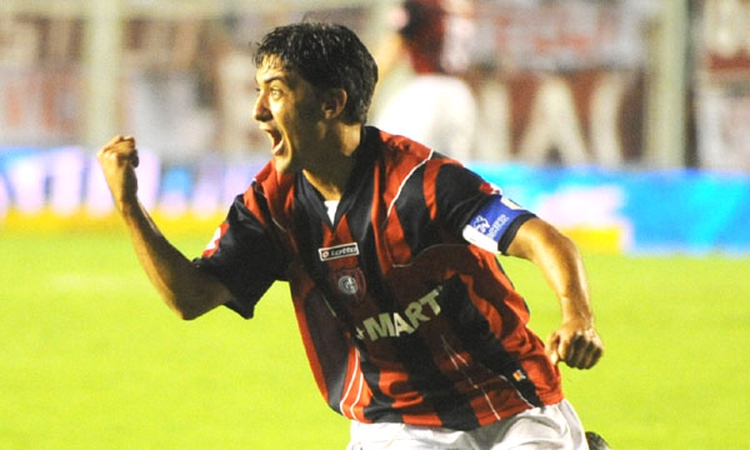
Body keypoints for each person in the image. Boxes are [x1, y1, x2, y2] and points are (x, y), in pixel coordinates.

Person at [98, 22, 604, 449]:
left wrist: (577, 316)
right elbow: (191, 297)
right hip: (397, 421)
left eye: (277, 91)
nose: (258, 110)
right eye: (258, 91)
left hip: (510, 399)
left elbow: (540, 238)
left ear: (331, 103)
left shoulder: (418, 183)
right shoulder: (273, 205)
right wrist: (129, 206)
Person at [372, 0, 478, 162]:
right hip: (459, 92)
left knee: (393, 157)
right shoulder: (460, 7)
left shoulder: (421, 5)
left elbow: (391, 49)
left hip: (426, 91)